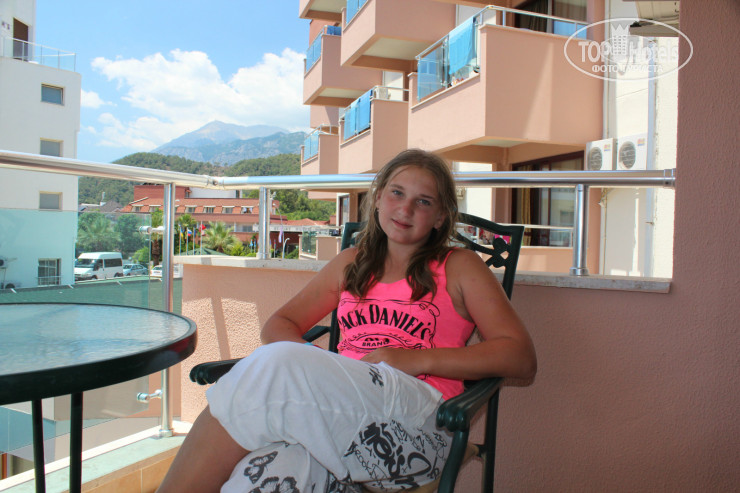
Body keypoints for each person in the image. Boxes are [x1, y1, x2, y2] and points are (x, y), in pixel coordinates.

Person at [158, 149, 537, 493]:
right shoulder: (352, 263)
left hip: (421, 430)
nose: (405, 209)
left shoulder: (459, 266)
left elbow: (519, 356)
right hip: (340, 418)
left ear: (440, 216)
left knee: (278, 366)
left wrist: (415, 359)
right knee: (266, 473)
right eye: (397, 193)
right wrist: (319, 367)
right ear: (378, 197)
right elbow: (280, 323)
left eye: (423, 201)